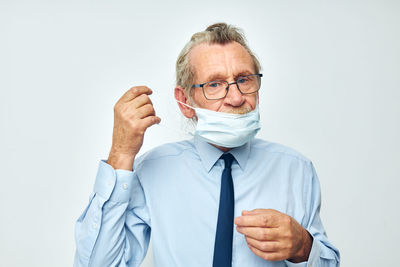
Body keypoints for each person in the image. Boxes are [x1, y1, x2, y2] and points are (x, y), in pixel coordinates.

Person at [74, 23, 340, 267]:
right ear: (183, 101)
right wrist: (120, 154)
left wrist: (303, 246)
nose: (235, 97)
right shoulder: (152, 171)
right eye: (215, 84)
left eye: (244, 79)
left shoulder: (296, 169)